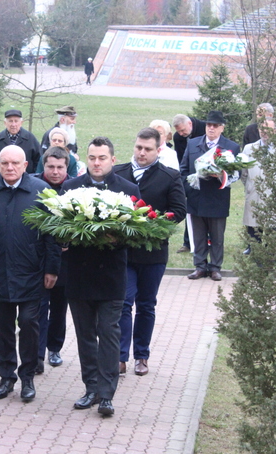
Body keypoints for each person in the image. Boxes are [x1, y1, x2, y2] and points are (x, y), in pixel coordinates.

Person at [0, 145, 61, 403]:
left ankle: (28, 376)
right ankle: (6, 377)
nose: (10, 168)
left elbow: (52, 235)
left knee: (30, 325)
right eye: (5, 163)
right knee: (4, 328)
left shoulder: (42, 191)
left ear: (26, 166)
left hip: (32, 272)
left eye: (15, 163)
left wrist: (52, 269)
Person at [61, 137, 141, 416]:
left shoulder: (128, 189)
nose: (97, 163)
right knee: (85, 335)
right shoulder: (70, 188)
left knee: (108, 334)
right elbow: (57, 228)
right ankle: (91, 388)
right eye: (92, 157)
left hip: (111, 276)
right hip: (79, 274)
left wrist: (114, 237)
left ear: (112, 158)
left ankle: (107, 395)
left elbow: (137, 233)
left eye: (102, 158)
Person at [114, 128, 187, 376]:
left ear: (158, 150)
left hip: (153, 253)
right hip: (124, 252)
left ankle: (141, 356)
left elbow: (178, 211)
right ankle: (120, 357)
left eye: (147, 149)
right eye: (138, 148)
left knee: (146, 305)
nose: (142, 153)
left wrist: (153, 224)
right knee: (124, 302)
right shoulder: (118, 173)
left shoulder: (170, 176)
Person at [180, 110, 240, 282]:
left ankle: (215, 267)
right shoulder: (192, 144)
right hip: (196, 197)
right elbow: (183, 170)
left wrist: (221, 176)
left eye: (215, 126)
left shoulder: (231, 147)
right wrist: (189, 186)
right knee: (198, 235)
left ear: (222, 128)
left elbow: (236, 174)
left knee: (217, 236)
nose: (211, 128)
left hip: (217, 198)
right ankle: (199, 266)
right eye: (209, 125)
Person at [32, 147, 72, 375]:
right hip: (40, 258)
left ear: (67, 167)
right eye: (51, 167)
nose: (55, 172)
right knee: (38, 308)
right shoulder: (34, 187)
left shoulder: (75, 189)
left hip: (66, 260)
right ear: (43, 166)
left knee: (59, 307)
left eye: (60, 167)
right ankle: (37, 354)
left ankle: (54, 348)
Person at [241, 119, 276, 254]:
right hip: (254, 194)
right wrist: (250, 186)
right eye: (262, 129)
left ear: (275, 131)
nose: (264, 133)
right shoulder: (249, 149)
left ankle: (272, 255)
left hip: (274, 195)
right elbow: (243, 173)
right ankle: (254, 252)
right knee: (253, 227)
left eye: (268, 129)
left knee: (273, 227)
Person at [172, 114, 206, 253]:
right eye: (179, 131)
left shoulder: (205, 128)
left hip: (209, 175)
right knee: (190, 210)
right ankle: (188, 242)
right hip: (190, 177)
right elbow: (181, 159)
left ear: (190, 124)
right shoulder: (178, 137)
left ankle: (207, 242)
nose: (181, 134)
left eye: (183, 130)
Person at [0, 110, 41, 178]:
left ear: (21, 123)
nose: (13, 124)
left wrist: (33, 178)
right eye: (10, 121)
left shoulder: (30, 139)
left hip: (26, 181)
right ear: (5, 123)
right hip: (3, 181)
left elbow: (38, 161)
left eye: (16, 121)